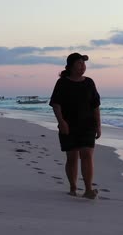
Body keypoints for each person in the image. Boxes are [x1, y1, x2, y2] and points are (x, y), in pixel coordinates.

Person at [49, 52, 101, 199]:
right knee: (72, 157)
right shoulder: (62, 83)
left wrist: (98, 125)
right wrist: (61, 122)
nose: (83, 66)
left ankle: (88, 189)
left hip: (88, 126)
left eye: (84, 63)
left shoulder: (89, 82)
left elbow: (95, 106)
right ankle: (73, 187)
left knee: (87, 155)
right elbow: (56, 104)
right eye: (79, 63)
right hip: (69, 125)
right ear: (70, 66)